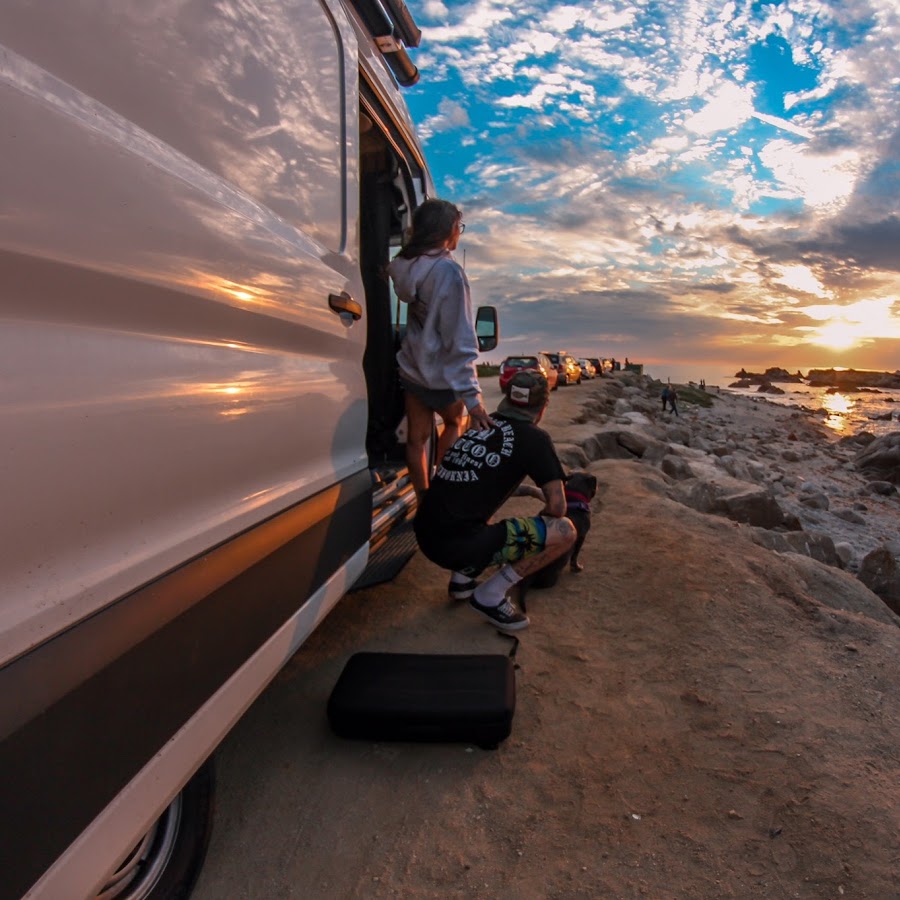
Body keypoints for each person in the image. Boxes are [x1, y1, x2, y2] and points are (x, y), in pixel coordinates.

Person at [414, 370, 577, 633]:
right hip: (456, 546)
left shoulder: (482, 425)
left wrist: (530, 492)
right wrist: (543, 523)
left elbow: (482, 482)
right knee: (565, 530)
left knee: (477, 509)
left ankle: (462, 580)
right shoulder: (535, 439)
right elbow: (558, 508)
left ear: (508, 400)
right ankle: (490, 595)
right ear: (543, 408)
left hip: (425, 534)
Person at [388, 199, 492, 500]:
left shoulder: (404, 266)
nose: (458, 233)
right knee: (452, 424)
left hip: (413, 371)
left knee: (416, 440)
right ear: (448, 230)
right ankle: (440, 493)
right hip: (443, 376)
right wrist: (474, 401)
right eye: (458, 227)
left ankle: (422, 499)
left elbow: (395, 277)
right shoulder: (449, 273)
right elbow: (459, 341)